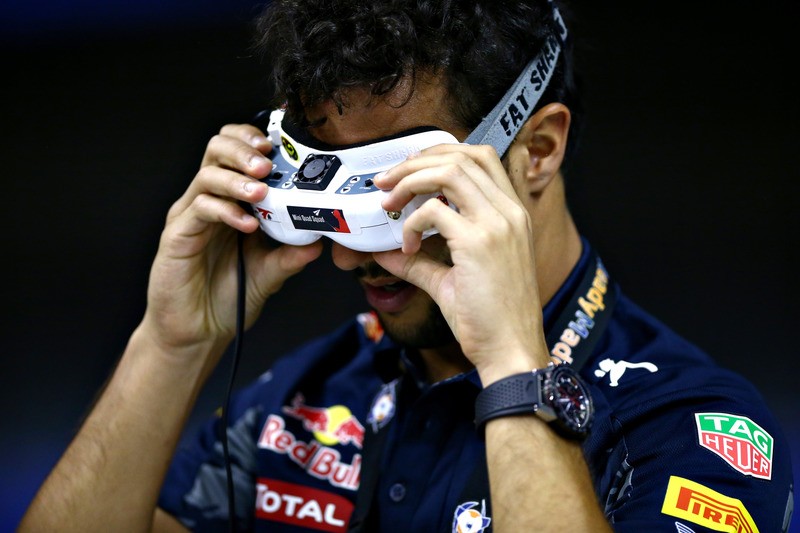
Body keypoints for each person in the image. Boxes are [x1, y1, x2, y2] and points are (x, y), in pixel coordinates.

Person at [18, 0, 794, 532]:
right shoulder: (306, 399)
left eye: (399, 191)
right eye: (327, 183)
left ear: (539, 148)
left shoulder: (700, 432)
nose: (351, 251)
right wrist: (172, 342)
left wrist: (513, 370)